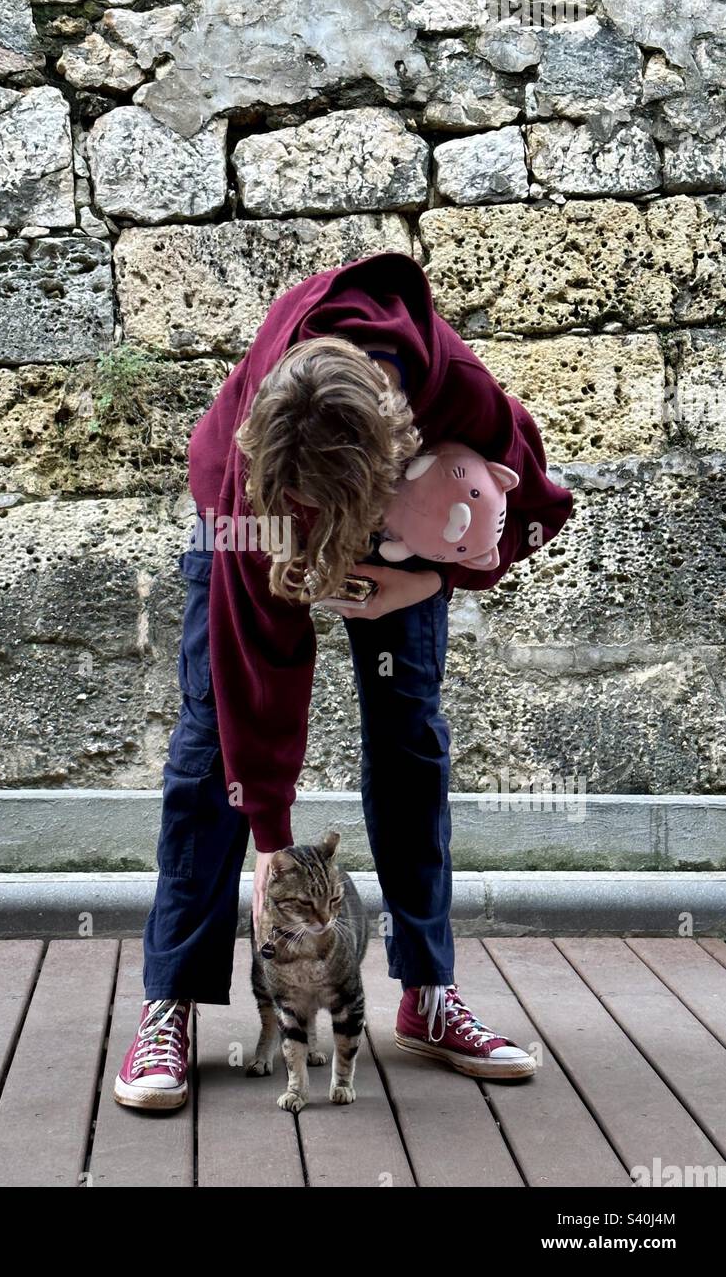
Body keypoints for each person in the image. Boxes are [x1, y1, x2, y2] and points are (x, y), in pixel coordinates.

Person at [113, 249, 574, 1110]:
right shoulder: (240, 481)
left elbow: (535, 508)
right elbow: (261, 672)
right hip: (263, 528)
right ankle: (167, 1000)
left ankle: (427, 994)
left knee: (409, 736)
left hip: (402, 535)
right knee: (211, 741)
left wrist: (430, 578)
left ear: (405, 438)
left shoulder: (453, 392)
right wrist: (269, 843)